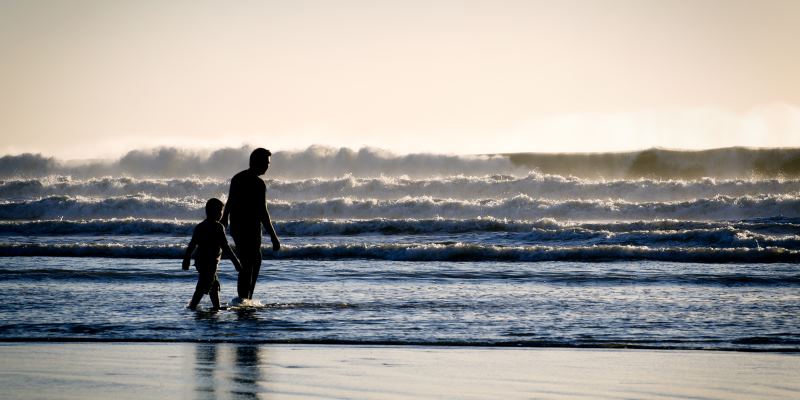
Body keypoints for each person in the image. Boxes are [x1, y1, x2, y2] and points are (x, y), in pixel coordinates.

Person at [222, 148, 281, 301]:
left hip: (240, 227)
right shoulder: (258, 183)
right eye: (267, 163)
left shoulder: (238, 178)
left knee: (253, 261)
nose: (268, 166)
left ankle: (246, 298)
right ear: (257, 162)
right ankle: (244, 299)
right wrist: (274, 237)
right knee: (249, 263)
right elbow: (263, 212)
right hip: (248, 227)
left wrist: (225, 218)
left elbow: (230, 201)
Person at [183, 198, 242, 310]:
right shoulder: (218, 227)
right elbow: (226, 247)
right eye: (220, 211)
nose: (221, 214)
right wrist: (236, 262)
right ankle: (192, 305)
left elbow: (191, 246)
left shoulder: (200, 226)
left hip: (200, 261)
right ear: (212, 211)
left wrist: (186, 260)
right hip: (209, 262)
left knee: (213, 285)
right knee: (203, 285)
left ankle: (216, 306)